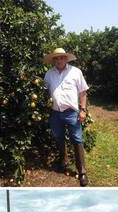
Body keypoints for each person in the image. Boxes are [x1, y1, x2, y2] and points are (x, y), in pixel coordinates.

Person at [44, 48, 89, 187]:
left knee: (76, 139)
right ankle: (63, 162)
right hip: (56, 113)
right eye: (56, 58)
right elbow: (44, 91)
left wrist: (82, 110)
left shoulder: (75, 72)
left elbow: (83, 92)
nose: (59, 60)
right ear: (53, 60)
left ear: (66, 58)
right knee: (59, 137)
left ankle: (82, 171)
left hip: (71, 112)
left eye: (61, 58)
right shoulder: (49, 74)